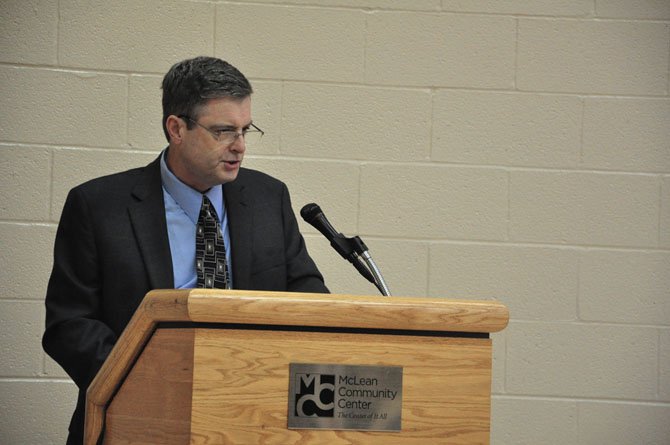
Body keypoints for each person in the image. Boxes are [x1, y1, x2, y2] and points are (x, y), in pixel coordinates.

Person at [42, 56, 328, 444]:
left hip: (252, 416)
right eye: (224, 131)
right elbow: (69, 324)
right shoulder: (98, 206)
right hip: (136, 416)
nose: (240, 147)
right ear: (176, 128)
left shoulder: (268, 197)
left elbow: (308, 297)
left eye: (246, 129)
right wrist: (148, 383)